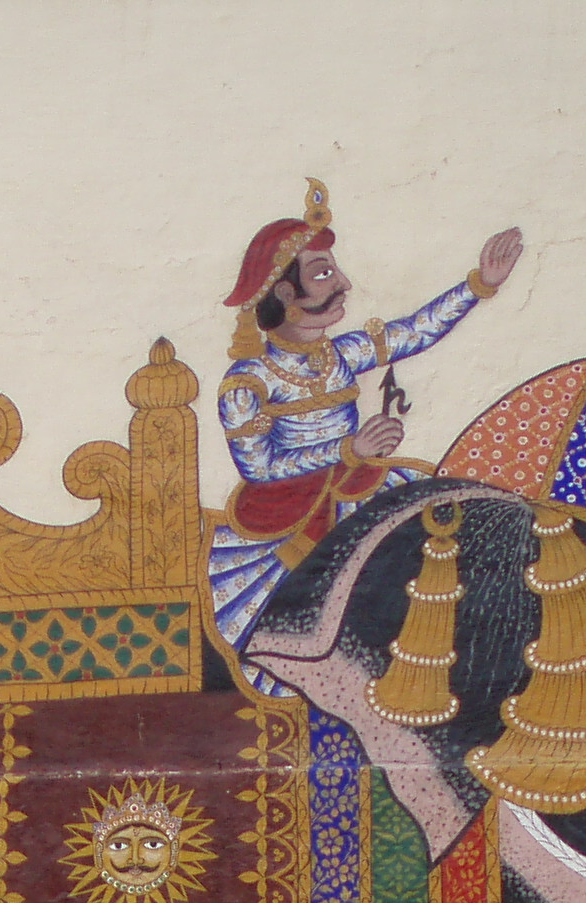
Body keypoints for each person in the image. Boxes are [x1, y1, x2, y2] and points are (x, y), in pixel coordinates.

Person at [209, 180, 523, 649]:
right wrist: (347, 449)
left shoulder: (340, 354)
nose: (343, 284)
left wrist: (479, 285)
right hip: (289, 519)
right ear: (286, 293)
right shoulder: (248, 383)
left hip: (359, 488)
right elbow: (259, 468)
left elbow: (415, 332)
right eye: (323, 274)